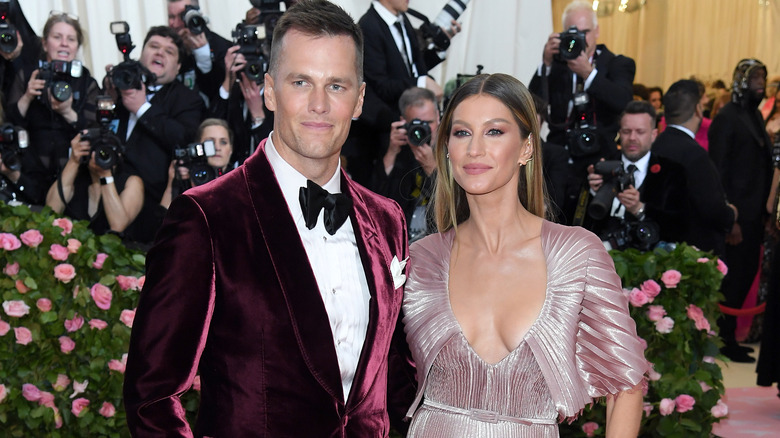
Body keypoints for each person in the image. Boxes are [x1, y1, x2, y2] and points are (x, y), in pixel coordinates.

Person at [124, 1, 415, 436]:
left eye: (336, 86)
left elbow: (396, 377)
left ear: (359, 100)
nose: (319, 104)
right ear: (271, 91)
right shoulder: (207, 216)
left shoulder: (388, 219)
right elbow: (153, 396)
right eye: (302, 82)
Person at [402, 73, 647, 436]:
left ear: (527, 147)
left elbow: (625, 385)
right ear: (447, 147)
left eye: (495, 132)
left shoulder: (576, 254)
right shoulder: (420, 260)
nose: (475, 149)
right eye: (462, 132)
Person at [105, 26, 205, 243]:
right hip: (105, 192)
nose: (160, 53)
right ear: (141, 54)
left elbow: (183, 137)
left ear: (178, 68)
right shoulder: (121, 84)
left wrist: (142, 108)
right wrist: (110, 98)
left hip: (150, 211)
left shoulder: (187, 99)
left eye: (169, 51)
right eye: (154, 46)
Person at [709, 59, 773, 363]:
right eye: (755, 78)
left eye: (764, 77)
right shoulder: (727, 117)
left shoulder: (753, 116)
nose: (761, 83)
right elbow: (718, 171)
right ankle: (724, 341)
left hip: (754, 216)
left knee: (744, 275)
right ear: (740, 81)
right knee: (732, 280)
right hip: (737, 217)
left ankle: (731, 337)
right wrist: (729, 217)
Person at [5, 11, 99, 205]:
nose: (64, 43)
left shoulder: (86, 82)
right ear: (45, 43)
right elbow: (11, 122)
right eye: (57, 37)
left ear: (77, 47)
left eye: (71, 39)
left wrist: (67, 112)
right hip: (31, 170)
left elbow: (94, 130)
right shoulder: (29, 74)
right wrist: (28, 96)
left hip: (74, 176)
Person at [585, 100, 688, 250]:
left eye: (640, 132)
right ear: (619, 133)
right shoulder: (601, 167)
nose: (632, 138)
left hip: (651, 261)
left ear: (653, 135)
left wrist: (640, 209)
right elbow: (579, 223)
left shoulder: (672, 171)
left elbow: (680, 226)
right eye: (627, 132)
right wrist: (592, 193)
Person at [652, 79, 737, 257]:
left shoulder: (656, 145)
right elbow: (712, 208)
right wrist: (730, 213)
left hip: (659, 246)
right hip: (692, 252)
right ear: (698, 110)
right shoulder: (695, 155)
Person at [370, 86, 438, 242]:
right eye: (416, 123)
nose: (423, 129)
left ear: (439, 118)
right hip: (398, 241)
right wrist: (392, 152)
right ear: (403, 122)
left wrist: (432, 168)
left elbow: (453, 206)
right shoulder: (397, 150)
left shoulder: (450, 151)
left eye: (429, 123)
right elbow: (374, 201)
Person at [44, 131, 143, 235]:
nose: (101, 155)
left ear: (118, 154)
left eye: (108, 150)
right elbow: (51, 210)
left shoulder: (132, 182)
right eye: (97, 150)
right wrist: (73, 160)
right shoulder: (76, 176)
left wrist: (105, 176)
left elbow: (117, 226)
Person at [160, 118, 237, 208]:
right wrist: (172, 185)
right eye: (210, 142)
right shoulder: (185, 176)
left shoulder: (241, 182)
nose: (217, 148)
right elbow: (163, 220)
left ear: (231, 150)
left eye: (223, 142)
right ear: (198, 147)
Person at [166, 0, 232, 103]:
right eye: (171, 17)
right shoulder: (167, 47)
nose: (174, 24)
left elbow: (222, 92)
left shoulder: (222, 47)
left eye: (181, 16)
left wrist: (202, 55)